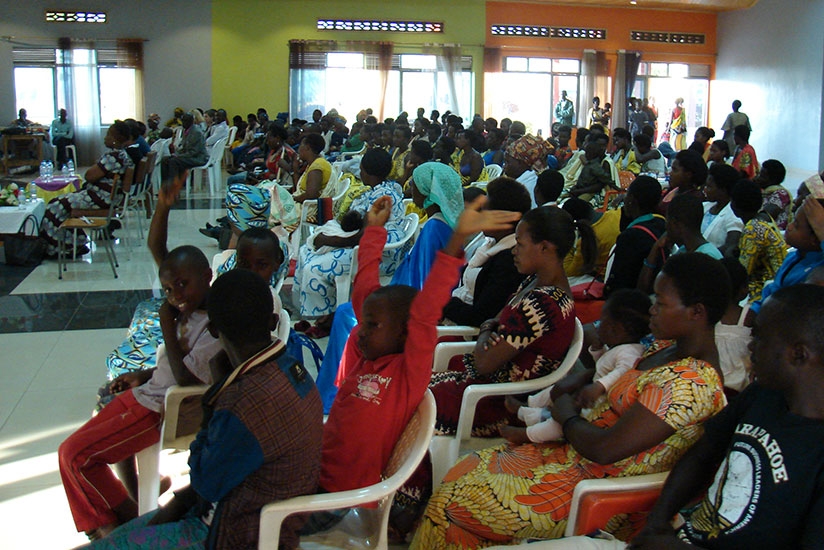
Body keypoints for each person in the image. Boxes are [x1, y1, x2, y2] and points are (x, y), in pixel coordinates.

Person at [412, 252, 728, 548]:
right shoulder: (665, 348)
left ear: (696, 312)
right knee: (461, 472)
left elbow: (605, 450)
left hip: (591, 489)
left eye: (660, 301)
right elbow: (605, 353)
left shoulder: (693, 382)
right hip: (570, 456)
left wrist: (566, 415)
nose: (652, 309)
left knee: (452, 501)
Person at [317, 194, 520, 531]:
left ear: (405, 333)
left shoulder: (406, 372)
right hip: (315, 469)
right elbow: (365, 290)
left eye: (373, 326)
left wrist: (457, 239)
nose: (362, 333)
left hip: (337, 496)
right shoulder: (364, 356)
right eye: (365, 323)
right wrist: (373, 230)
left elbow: (426, 311)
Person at [87, 269, 323, 550]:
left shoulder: (240, 402)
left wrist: (215, 394)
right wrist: (170, 510)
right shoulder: (293, 370)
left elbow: (204, 480)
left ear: (213, 330)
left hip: (232, 533)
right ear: (272, 322)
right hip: (259, 514)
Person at [58, 173, 221, 540]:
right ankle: (130, 512)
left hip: (160, 411)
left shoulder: (214, 324)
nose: (175, 293)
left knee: (74, 456)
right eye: (168, 288)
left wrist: (167, 320)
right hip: (148, 394)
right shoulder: (190, 302)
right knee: (98, 412)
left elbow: (185, 381)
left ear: (207, 277)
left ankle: (109, 530)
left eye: (183, 284)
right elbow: (159, 253)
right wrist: (145, 374)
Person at [629, 284, 824, 550]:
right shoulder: (763, 394)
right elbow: (703, 454)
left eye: (760, 337)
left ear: (798, 354)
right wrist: (658, 521)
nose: (750, 347)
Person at [314, 162, 464, 411]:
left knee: (346, 315)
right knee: (344, 311)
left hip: (408, 306)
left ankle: (336, 393)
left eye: (415, 184)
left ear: (428, 191)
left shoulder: (434, 228)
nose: (410, 189)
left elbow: (422, 280)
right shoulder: (445, 224)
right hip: (406, 296)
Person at [429, 206, 579, 437]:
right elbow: (495, 321)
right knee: (407, 380)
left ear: (545, 247)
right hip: (486, 383)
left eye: (520, 244)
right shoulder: (533, 282)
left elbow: (484, 363)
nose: (514, 251)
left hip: (495, 401)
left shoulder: (544, 304)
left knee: (406, 399)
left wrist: (486, 331)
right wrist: (489, 329)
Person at [502, 288, 650, 444]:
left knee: (559, 424)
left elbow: (623, 372)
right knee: (558, 398)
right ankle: (527, 407)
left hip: (599, 406)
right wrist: (597, 350)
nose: (598, 325)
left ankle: (527, 435)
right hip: (593, 396)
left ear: (616, 329)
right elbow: (604, 365)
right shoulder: (620, 347)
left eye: (602, 321)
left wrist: (599, 386)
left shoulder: (631, 353)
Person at [294, 148, 406, 325]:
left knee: (314, 267)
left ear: (368, 171)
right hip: (363, 247)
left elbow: (364, 236)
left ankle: (323, 318)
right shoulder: (377, 190)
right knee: (305, 252)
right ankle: (320, 311)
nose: (359, 173)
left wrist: (328, 240)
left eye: (361, 169)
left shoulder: (384, 197)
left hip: (378, 256)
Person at [442, 177, 531, 327]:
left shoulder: (509, 261)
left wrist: (444, 304)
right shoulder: (490, 244)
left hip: (464, 331)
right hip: (454, 313)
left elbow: (480, 316)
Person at [39, 121, 135, 257]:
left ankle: (57, 248)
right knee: (61, 202)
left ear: (115, 139)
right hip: (109, 197)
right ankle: (74, 243)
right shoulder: (123, 155)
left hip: (100, 198)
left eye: (108, 135)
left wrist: (96, 166)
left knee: (55, 205)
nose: (105, 138)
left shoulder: (113, 157)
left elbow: (89, 176)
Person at [749, 196, 824, 316]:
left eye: (797, 225)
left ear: (815, 238)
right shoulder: (793, 256)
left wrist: (821, 227)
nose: (789, 227)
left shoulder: (818, 265)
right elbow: (773, 289)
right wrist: (756, 309)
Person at [603, 176, 666, 296]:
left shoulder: (630, 237)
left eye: (627, 195)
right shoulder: (661, 223)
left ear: (631, 200)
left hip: (629, 301)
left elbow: (618, 284)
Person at [731, 179, 787, 304]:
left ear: (733, 205)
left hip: (766, 293)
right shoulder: (765, 219)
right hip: (779, 287)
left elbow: (743, 272)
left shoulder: (753, 229)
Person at [715, 257, 752, 394]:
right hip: (741, 389)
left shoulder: (708, 316)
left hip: (713, 385)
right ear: (743, 289)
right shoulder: (749, 316)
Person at [562, 197, 621, 278]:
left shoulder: (587, 240)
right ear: (589, 206)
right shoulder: (618, 214)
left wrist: (568, 242)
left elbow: (569, 272)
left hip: (604, 278)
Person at [702, 163, 744, 255]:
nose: (705, 190)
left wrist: (705, 254)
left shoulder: (734, 215)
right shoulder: (705, 207)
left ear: (723, 190)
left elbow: (730, 246)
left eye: (709, 187)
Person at [504, 134, 552, 207]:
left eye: (507, 162)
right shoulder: (525, 181)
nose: (504, 166)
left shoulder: (525, 188)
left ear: (521, 163)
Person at [161, 113, 207, 184]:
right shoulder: (186, 130)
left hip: (198, 158)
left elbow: (194, 152)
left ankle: (174, 187)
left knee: (174, 161)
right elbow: (184, 147)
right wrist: (175, 154)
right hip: (189, 156)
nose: (183, 123)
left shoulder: (196, 132)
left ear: (191, 121)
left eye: (185, 121)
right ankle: (166, 185)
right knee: (165, 160)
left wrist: (178, 156)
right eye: (182, 121)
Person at [658, 150, 708, 215]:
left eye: (675, 170)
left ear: (688, 174)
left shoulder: (692, 200)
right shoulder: (674, 190)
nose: (670, 173)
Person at [292, 132, 332, 204]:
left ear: (307, 147)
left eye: (300, 145)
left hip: (308, 209)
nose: (298, 149)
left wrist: (293, 199)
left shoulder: (317, 167)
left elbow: (311, 195)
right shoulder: (314, 163)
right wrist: (296, 171)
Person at [755, 158, 791, 230]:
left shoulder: (781, 194)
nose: (757, 178)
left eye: (762, 176)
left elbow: (766, 216)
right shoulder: (765, 192)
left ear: (773, 179)